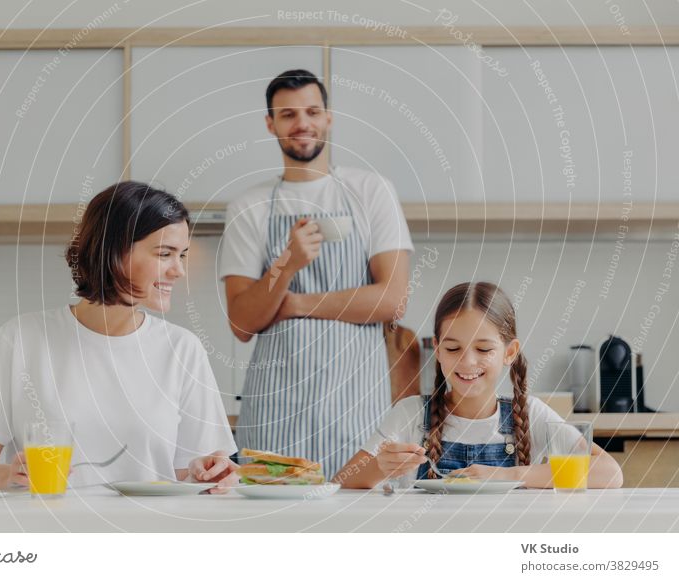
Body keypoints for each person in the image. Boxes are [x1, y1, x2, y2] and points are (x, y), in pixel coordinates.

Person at [0, 182, 239, 493]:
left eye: (182, 255)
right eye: (165, 254)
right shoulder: (21, 339)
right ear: (114, 251)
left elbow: (189, 473)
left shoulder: (182, 350)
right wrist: (8, 475)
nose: (178, 270)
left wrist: (208, 474)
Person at [219, 69, 413, 478]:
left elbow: (391, 299)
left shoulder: (370, 191)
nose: (302, 123)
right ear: (270, 124)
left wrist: (294, 304)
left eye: (312, 111)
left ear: (328, 118)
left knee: (356, 526)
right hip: (274, 409)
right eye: (287, 114)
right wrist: (286, 265)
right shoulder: (248, 206)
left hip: (355, 403)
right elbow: (240, 321)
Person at [336, 281, 623, 489]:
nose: (468, 362)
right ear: (437, 349)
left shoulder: (531, 414)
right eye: (453, 349)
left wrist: (508, 475)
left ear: (509, 352)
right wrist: (380, 467)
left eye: (484, 350)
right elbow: (342, 482)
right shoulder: (410, 414)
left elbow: (610, 473)